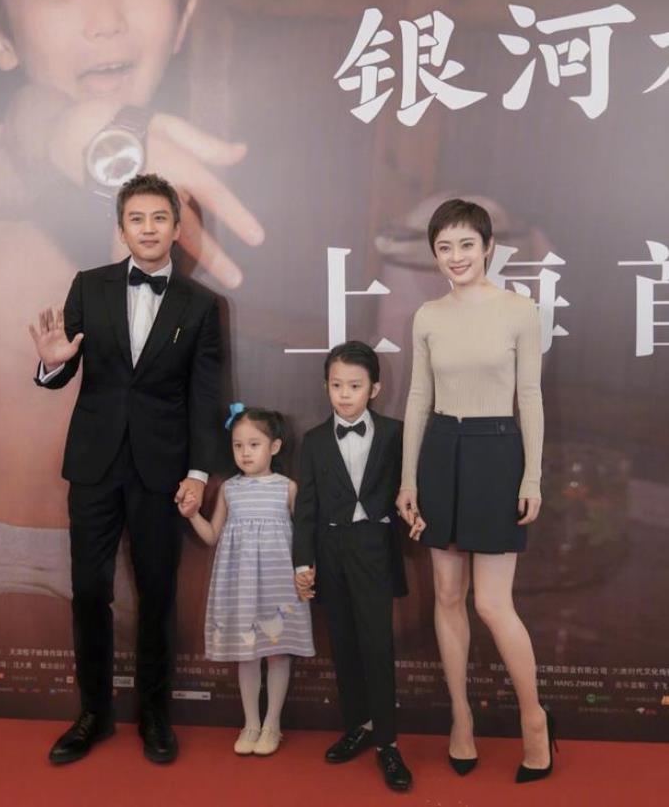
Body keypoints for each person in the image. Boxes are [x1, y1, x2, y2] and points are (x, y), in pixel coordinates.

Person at [0, 0, 262, 667]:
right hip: (15, 563)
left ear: (186, 11)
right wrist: (84, 134)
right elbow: (30, 136)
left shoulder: (187, 182)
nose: (105, 17)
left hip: (154, 533)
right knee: (45, 681)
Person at [29, 173, 221, 765]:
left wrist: (199, 473)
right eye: (137, 219)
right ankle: (93, 714)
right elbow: (64, 365)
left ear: (177, 228)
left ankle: (155, 716)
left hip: (162, 469)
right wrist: (51, 365)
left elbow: (206, 396)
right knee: (89, 591)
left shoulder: (202, 305)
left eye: (159, 218)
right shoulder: (89, 286)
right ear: (121, 228)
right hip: (94, 464)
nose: (148, 228)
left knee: (158, 592)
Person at [396, 197, 555, 784]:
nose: (456, 256)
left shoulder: (520, 310)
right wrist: (409, 478)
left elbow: (529, 397)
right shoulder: (428, 316)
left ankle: (534, 719)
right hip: (441, 449)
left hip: (497, 451)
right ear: (433, 254)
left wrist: (532, 475)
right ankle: (460, 718)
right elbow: (418, 398)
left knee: (491, 603)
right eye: (444, 247)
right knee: (446, 593)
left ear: (488, 247)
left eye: (466, 244)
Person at [293, 341, 413, 793]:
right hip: (331, 550)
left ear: (375, 389)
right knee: (342, 644)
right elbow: (305, 509)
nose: (344, 394)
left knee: (377, 646)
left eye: (355, 386)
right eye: (336, 385)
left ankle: (388, 743)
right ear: (326, 386)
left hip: (375, 547)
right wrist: (302, 562)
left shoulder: (395, 433)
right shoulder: (314, 440)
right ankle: (358, 726)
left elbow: (411, 487)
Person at [187, 405, 314, 756]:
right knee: (247, 655)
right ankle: (251, 723)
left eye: (254, 445)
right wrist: (193, 514)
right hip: (240, 586)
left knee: (278, 654)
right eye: (238, 445)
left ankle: (272, 724)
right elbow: (212, 535)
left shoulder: (288, 488)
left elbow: (305, 538)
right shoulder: (229, 489)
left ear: (275, 447)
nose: (245, 453)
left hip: (278, 585)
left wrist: (306, 570)